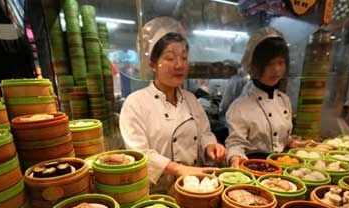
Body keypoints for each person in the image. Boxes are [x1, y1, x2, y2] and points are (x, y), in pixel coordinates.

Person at [119, 17, 226, 193]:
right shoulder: (135, 103)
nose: (179, 65)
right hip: (157, 193)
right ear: (152, 64)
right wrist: (179, 169)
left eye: (184, 57)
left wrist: (210, 147)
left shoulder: (191, 100)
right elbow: (140, 154)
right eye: (170, 58)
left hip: (195, 187)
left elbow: (204, 133)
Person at [225, 27, 306, 168]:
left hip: (283, 168)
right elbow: (235, 144)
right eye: (269, 64)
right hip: (255, 169)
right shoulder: (240, 106)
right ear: (255, 65)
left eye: (281, 63)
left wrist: (292, 142)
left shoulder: (284, 100)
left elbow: (278, 137)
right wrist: (235, 158)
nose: (276, 70)